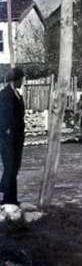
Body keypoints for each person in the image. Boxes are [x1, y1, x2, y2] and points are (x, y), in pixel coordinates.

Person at [0, 67, 26, 205]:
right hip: (7, 139)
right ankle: (7, 199)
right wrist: (7, 131)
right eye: (21, 79)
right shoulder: (4, 95)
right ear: (15, 79)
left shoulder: (17, 94)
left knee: (15, 167)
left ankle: (11, 198)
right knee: (10, 167)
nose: (22, 82)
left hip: (17, 138)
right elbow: (3, 116)